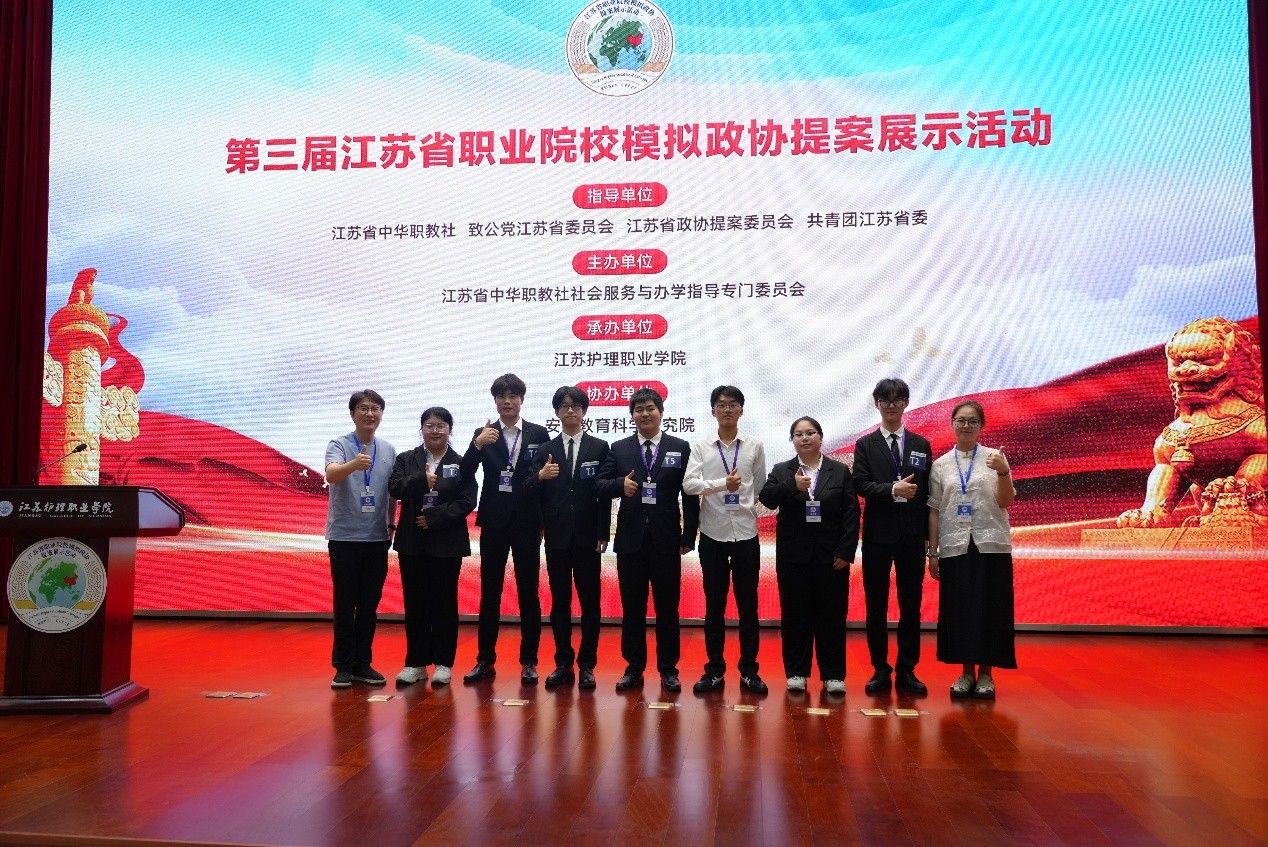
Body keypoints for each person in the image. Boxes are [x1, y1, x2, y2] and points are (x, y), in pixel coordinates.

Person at [595, 387, 699, 693]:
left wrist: (688, 535)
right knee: (633, 608)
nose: (645, 414)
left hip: (667, 540)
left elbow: (689, 493)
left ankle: (668, 669)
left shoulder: (680, 447)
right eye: (638, 410)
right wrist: (619, 485)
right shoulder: (619, 448)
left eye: (650, 408)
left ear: (661, 412)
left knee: (668, 608)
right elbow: (599, 486)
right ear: (632, 416)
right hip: (630, 541)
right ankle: (634, 667)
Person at [459, 374, 550, 685]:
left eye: (513, 396)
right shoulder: (484, 434)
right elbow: (464, 473)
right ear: (495, 400)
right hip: (494, 521)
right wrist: (477, 445)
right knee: (490, 592)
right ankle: (485, 660)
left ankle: (529, 661)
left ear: (522, 399)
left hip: (527, 522)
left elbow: (542, 480)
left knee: (528, 592)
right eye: (501, 396)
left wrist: (542, 521)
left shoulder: (538, 433)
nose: (507, 401)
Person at [758, 417, 859, 694]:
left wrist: (846, 551)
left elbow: (851, 513)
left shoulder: (839, 470)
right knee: (795, 616)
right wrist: (792, 486)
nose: (805, 438)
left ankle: (833, 675)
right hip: (793, 558)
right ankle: (796, 672)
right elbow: (766, 499)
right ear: (792, 440)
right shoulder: (783, 470)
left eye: (810, 433)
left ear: (820, 437)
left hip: (832, 557)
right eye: (799, 434)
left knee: (832, 616)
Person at [926, 400, 1017, 699]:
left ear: (981, 426)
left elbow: (1006, 501)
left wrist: (1003, 472)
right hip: (956, 546)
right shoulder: (940, 465)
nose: (966, 426)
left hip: (991, 545)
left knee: (991, 608)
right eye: (961, 420)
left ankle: (987, 675)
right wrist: (933, 552)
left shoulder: (995, 458)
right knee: (961, 610)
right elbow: (934, 510)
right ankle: (966, 673)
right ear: (952, 424)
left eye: (973, 421)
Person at [683, 385, 769, 695]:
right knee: (714, 607)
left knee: (748, 607)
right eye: (721, 404)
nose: (727, 409)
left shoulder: (755, 446)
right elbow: (689, 485)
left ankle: (749, 671)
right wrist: (723, 484)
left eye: (733, 404)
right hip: (713, 535)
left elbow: (759, 486)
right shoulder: (701, 447)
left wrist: (746, 506)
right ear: (713, 411)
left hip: (746, 534)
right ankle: (714, 670)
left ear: (741, 410)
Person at [527, 386, 613, 691]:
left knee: (590, 603)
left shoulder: (599, 447)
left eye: (575, 406)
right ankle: (563, 663)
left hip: (589, 537)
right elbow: (528, 489)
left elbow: (604, 494)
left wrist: (603, 532)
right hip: (556, 537)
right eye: (564, 406)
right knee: (560, 603)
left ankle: (587, 665)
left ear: (584, 411)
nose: (570, 411)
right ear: (556, 412)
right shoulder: (544, 449)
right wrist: (540, 477)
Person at [852, 378, 932, 696]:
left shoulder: (921, 444)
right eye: (885, 400)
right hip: (877, 536)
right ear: (877, 404)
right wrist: (892, 489)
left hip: (912, 537)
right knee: (876, 605)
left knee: (911, 605)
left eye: (898, 400)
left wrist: (929, 538)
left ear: (906, 403)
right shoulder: (865, 444)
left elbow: (927, 493)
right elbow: (860, 484)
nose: (891, 406)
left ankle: (907, 669)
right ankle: (880, 669)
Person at [388, 407, 477, 688]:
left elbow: (468, 500)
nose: (435, 430)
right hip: (412, 542)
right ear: (422, 429)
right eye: (429, 425)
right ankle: (415, 663)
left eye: (441, 425)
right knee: (415, 603)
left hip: (447, 543)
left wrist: (435, 518)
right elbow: (395, 488)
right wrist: (420, 481)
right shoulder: (406, 459)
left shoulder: (460, 463)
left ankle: (443, 663)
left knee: (444, 603)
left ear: (449, 430)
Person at [324, 389, 397, 689]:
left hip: (377, 538)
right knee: (345, 603)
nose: (370, 414)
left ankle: (362, 663)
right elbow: (331, 475)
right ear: (353, 414)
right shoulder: (339, 445)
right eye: (364, 408)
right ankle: (342, 666)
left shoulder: (388, 450)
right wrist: (353, 465)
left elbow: (392, 493)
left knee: (369, 605)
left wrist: (391, 524)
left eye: (375, 408)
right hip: (344, 537)